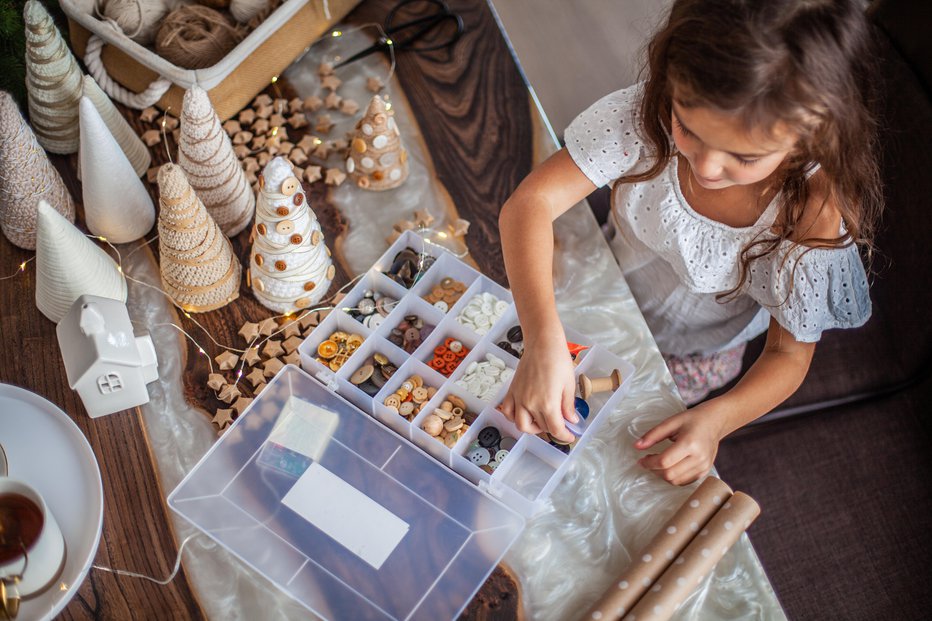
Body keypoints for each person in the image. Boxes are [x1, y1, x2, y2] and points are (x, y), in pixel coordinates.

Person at [497, 0, 882, 485]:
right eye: (689, 129)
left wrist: (717, 421)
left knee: (599, 459)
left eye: (743, 157)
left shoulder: (812, 214)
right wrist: (542, 338)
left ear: (812, 135)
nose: (705, 167)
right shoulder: (644, 118)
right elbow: (528, 205)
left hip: (700, 356)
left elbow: (788, 357)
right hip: (606, 283)